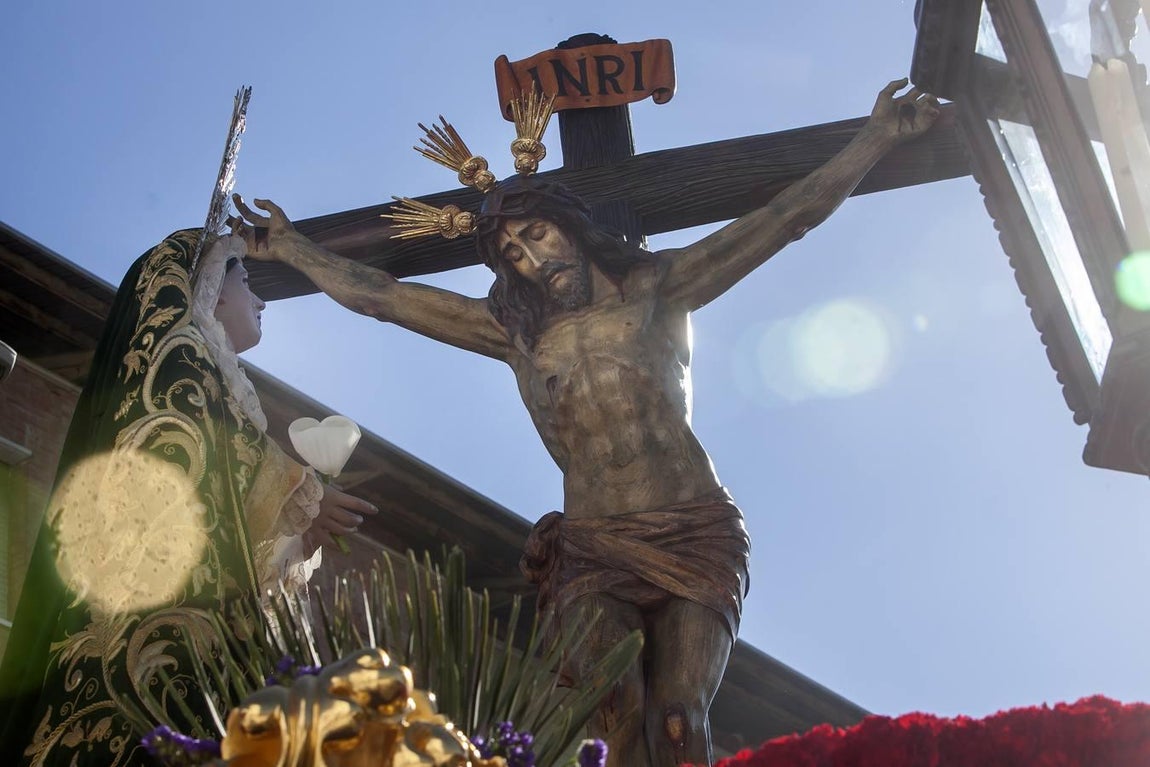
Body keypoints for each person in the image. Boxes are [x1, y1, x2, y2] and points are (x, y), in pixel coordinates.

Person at [232, 79, 940, 766]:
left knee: (679, 717)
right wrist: (292, 248)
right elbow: (383, 296)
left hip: (695, 529)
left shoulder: (659, 287)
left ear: (569, 225)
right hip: (594, 544)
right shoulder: (514, 333)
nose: (534, 261)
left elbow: (785, 219)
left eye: (538, 234)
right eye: (514, 255)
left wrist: (874, 138)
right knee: (614, 711)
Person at [0, 230, 375, 766]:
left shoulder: (223, 384)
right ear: (212, 290)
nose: (261, 300)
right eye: (247, 281)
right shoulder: (179, 369)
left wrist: (293, 535)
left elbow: (220, 529)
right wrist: (302, 491)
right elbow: (185, 448)